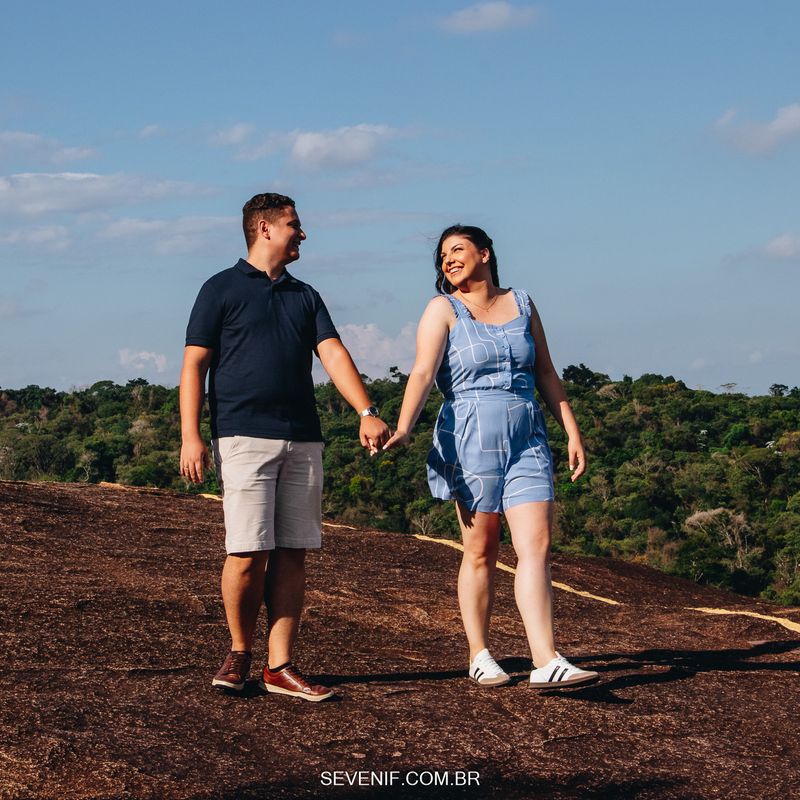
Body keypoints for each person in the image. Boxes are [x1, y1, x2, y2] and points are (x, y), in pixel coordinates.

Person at [180, 193, 390, 701]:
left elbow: (332, 353)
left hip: (302, 437)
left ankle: (280, 665)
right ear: (264, 228)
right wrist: (191, 435)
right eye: (295, 224)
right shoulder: (220, 288)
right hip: (241, 435)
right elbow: (194, 366)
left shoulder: (305, 295)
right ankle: (239, 652)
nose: (302, 233)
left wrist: (365, 411)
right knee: (248, 551)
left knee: (293, 551)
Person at [383, 225, 598, 689]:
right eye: (442, 255)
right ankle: (479, 654)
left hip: (528, 434)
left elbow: (545, 371)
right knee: (481, 549)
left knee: (535, 546)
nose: (448, 260)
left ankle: (546, 660)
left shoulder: (522, 301)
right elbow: (422, 373)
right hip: (470, 435)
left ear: (485, 253)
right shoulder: (443, 309)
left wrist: (572, 432)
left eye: (457, 250)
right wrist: (404, 427)